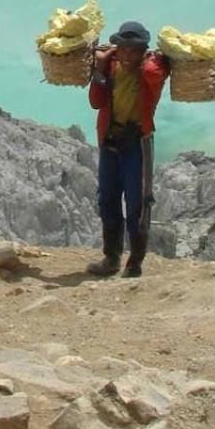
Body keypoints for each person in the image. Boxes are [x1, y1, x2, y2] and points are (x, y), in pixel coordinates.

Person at [86, 21, 169, 278]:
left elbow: (157, 73)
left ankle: (135, 262)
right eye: (123, 49)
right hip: (110, 142)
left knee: (138, 203)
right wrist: (100, 66)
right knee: (107, 200)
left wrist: (148, 59)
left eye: (134, 49)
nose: (128, 54)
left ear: (143, 49)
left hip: (137, 144)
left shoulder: (151, 70)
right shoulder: (110, 68)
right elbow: (95, 101)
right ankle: (111, 258)